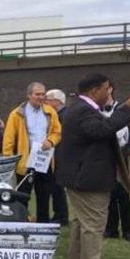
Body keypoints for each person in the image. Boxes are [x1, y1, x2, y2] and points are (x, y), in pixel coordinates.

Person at [56, 73, 130, 259]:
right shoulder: (84, 110)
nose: (109, 92)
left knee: (81, 221)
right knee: (93, 224)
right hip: (88, 179)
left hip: (80, 176)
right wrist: (127, 110)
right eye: (106, 89)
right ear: (94, 90)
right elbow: (100, 131)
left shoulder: (80, 109)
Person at [3, 82, 61, 222]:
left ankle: (43, 224)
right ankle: (22, 222)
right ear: (29, 95)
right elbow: (8, 139)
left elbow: (57, 132)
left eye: (43, 94)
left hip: (44, 161)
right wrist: (8, 160)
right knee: (23, 195)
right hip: (25, 162)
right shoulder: (17, 114)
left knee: (44, 195)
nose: (41, 97)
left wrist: (51, 141)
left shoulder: (50, 112)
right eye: (37, 94)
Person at [100, 81, 130, 242]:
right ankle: (111, 228)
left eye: (106, 88)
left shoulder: (121, 108)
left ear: (111, 90)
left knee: (123, 192)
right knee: (109, 192)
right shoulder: (96, 110)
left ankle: (128, 230)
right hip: (104, 153)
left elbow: (127, 129)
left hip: (120, 153)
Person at [45, 89, 69, 225]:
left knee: (57, 187)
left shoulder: (62, 116)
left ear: (56, 101)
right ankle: (59, 213)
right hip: (57, 155)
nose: (45, 102)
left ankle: (61, 215)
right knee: (55, 187)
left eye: (48, 99)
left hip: (60, 156)